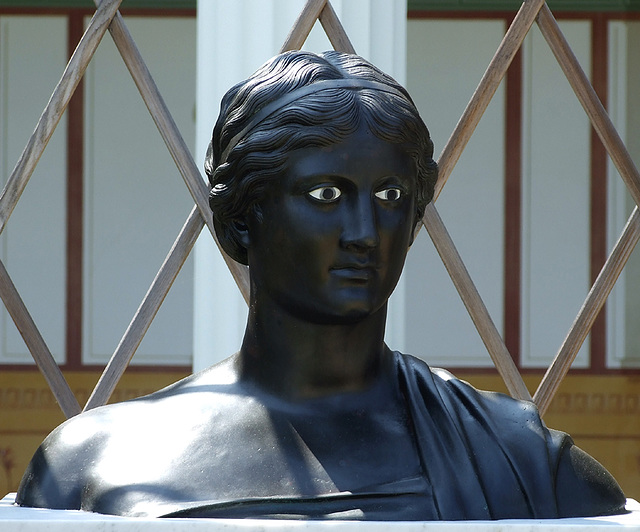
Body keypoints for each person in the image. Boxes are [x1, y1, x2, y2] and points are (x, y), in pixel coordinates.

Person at [16, 50, 626, 520]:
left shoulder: (522, 461)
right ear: (238, 222)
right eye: (326, 194)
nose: (365, 231)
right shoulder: (93, 464)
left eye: (390, 197)